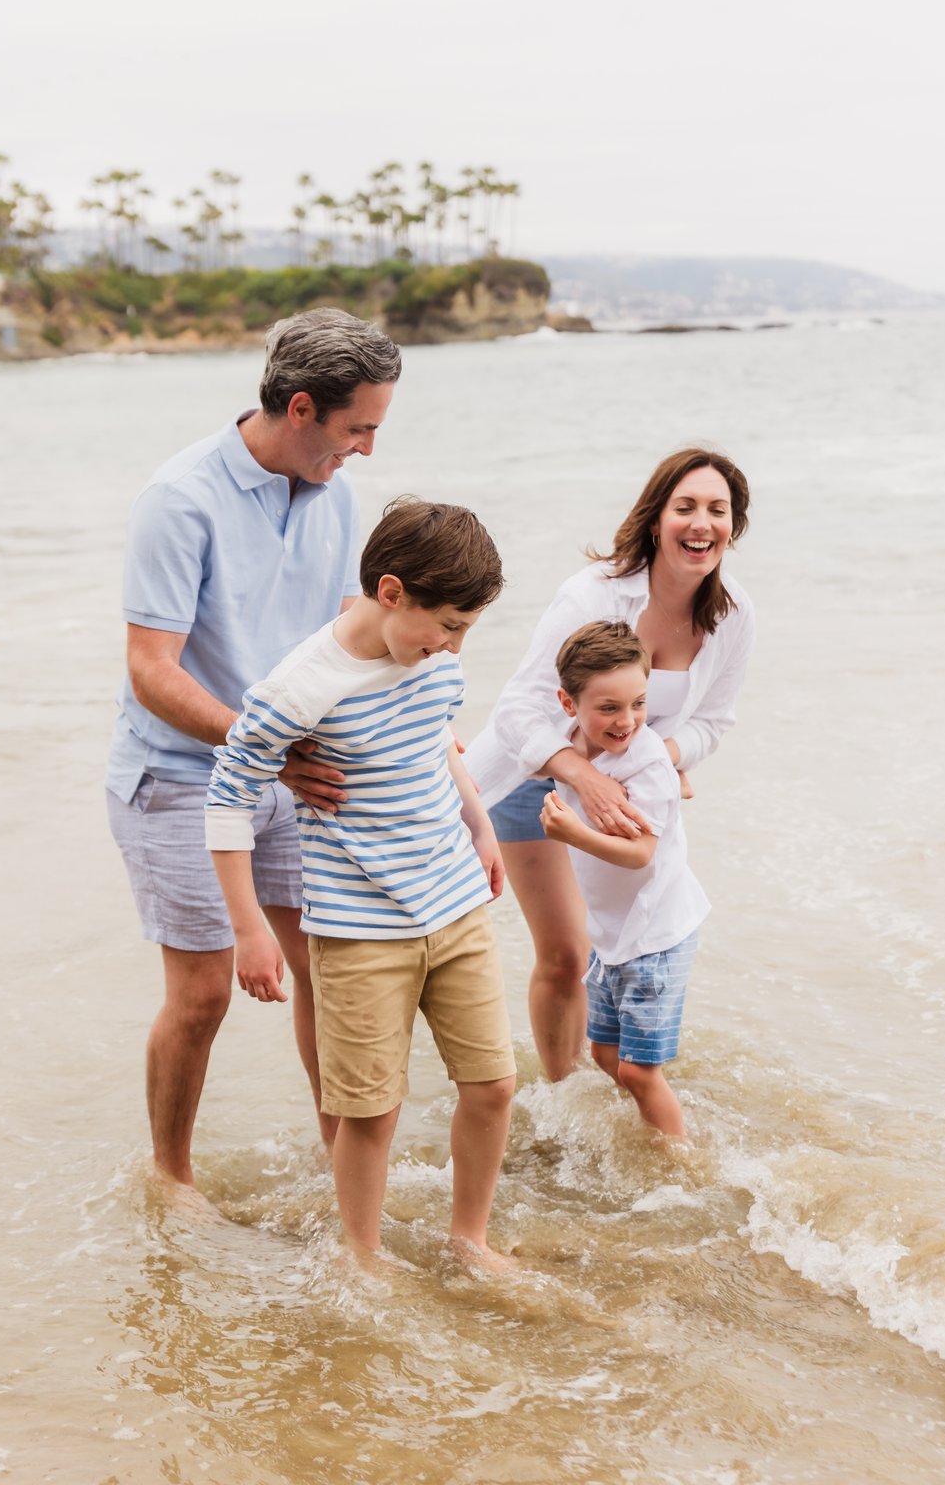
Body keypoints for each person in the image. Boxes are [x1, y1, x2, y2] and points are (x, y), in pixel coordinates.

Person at [105, 307, 402, 1187]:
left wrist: (409, 713)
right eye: (360, 429)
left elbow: (340, 634)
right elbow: (150, 670)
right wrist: (264, 746)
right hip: (178, 775)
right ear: (302, 407)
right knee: (201, 995)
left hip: (285, 770)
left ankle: (342, 1169)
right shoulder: (179, 499)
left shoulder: (335, 494)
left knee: (324, 966)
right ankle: (172, 1177)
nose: (369, 450)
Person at [204, 499, 516, 1261]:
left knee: (493, 1085)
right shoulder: (303, 686)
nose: (452, 646)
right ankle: (363, 1261)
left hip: (457, 905)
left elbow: (438, 742)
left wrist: (480, 827)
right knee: (371, 1114)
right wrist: (248, 930)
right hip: (358, 929)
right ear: (389, 591)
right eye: (446, 625)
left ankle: (468, 1242)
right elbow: (227, 796)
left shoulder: (432, 659)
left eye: (465, 630)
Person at [463, 446, 753, 1082]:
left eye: (717, 510)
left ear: (734, 526)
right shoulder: (592, 594)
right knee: (566, 954)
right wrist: (584, 775)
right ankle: (560, 1092)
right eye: (686, 507)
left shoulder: (731, 617)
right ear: (657, 520)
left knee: (623, 943)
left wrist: (659, 758)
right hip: (531, 781)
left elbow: (712, 724)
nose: (701, 523)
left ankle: (612, 1088)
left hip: (625, 789)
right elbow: (517, 711)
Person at [538, 621, 709, 1136]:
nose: (627, 720)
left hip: (656, 933)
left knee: (638, 1069)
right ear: (569, 705)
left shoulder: (647, 764)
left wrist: (572, 834)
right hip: (612, 934)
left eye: (638, 703)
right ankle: (648, 1126)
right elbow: (514, 744)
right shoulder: (569, 746)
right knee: (605, 1052)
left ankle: (679, 1165)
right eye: (608, 708)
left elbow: (641, 855)